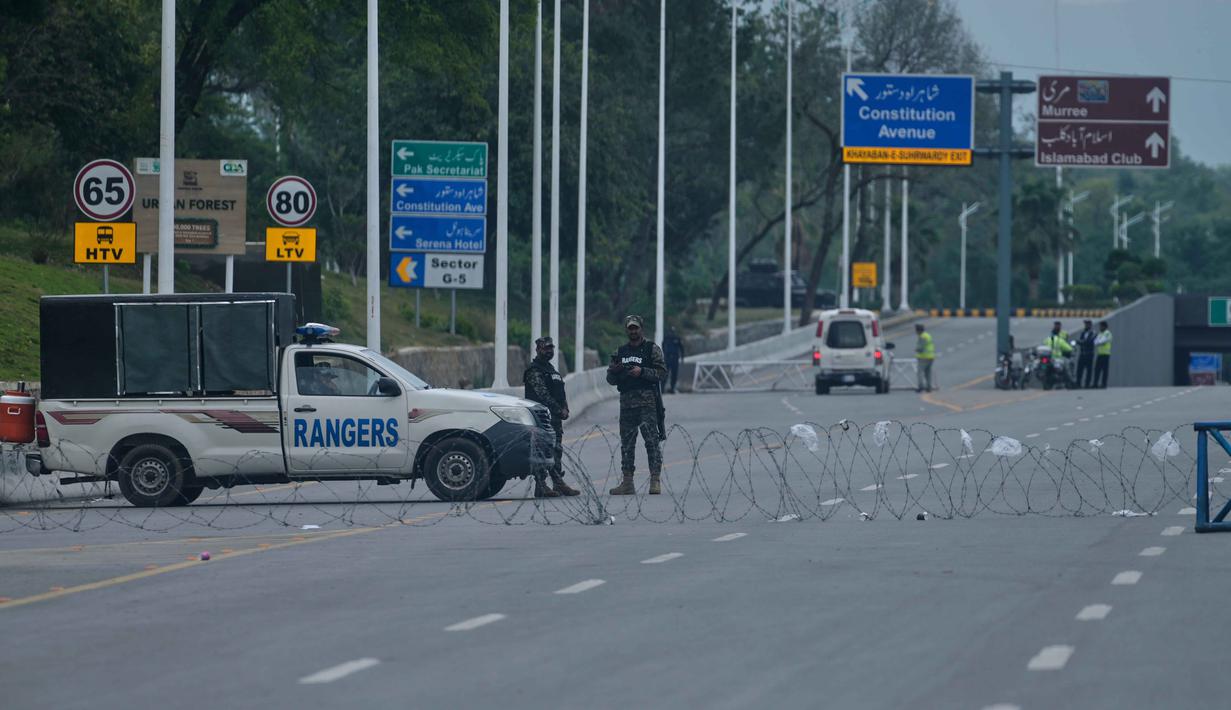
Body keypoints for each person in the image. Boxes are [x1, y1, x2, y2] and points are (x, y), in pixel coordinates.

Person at [606, 315, 667, 495]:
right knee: (627, 445)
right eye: (630, 328)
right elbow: (610, 379)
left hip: (647, 403)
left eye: (636, 328)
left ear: (641, 328)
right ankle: (627, 482)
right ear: (627, 330)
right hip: (626, 404)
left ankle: (655, 479)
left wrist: (642, 372)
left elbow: (662, 373)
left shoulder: (651, 349)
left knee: (651, 442)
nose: (633, 331)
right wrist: (615, 371)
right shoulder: (620, 352)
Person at [522, 336, 580, 498]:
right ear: (538, 350)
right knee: (542, 450)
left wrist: (565, 407)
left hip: (554, 419)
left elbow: (560, 391)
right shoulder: (534, 370)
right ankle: (541, 485)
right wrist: (557, 409)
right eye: (545, 348)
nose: (549, 351)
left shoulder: (552, 370)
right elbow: (543, 394)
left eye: (551, 348)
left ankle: (558, 482)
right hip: (541, 418)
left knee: (556, 450)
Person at [1075, 320, 1097, 388]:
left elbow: (1089, 341)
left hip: (1089, 354)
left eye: (1087, 324)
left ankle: (1087, 384)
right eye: (1085, 324)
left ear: (1090, 325)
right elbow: (1079, 341)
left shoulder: (1093, 333)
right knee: (1079, 369)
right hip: (1082, 354)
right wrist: (1080, 342)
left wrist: (1080, 342)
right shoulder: (1083, 333)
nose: (1086, 325)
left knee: (1089, 370)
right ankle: (1078, 383)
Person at [662, 327, 684, 394]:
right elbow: (663, 345)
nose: (671, 333)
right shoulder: (666, 338)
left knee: (674, 374)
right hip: (667, 358)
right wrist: (665, 353)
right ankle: (662, 389)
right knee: (665, 374)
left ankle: (672, 388)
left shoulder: (677, 338)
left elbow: (681, 348)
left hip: (675, 358)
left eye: (672, 332)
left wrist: (682, 357)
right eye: (671, 332)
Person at [914, 323, 935, 393]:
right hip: (931, 356)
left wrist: (916, 349)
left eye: (916, 331)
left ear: (918, 331)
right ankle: (929, 387)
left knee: (919, 372)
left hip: (924, 357)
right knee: (928, 373)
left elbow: (920, 347)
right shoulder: (927, 335)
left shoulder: (922, 337)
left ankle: (921, 386)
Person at [1093, 321, 1113, 389]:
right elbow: (1095, 342)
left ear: (1104, 326)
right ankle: (1095, 383)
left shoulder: (1107, 333)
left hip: (1106, 354)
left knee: (1104, 370)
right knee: (1097, 369)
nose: (1100, 327)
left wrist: (1098, 342)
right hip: (1100, 354)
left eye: (1101, 326)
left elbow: (1102, 341)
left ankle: (1104, 384)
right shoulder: (1100, 334)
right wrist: (1098, 342)